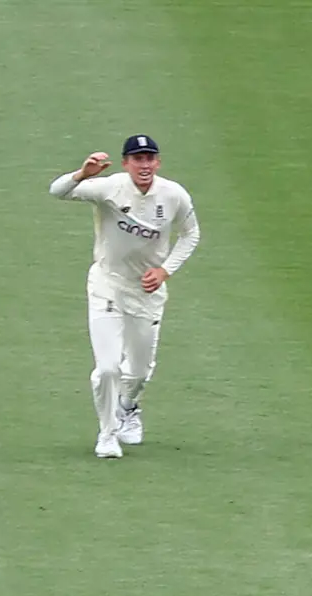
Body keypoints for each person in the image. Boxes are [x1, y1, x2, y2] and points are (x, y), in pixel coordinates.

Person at [48, 134, 201, 458]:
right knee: (107, 368)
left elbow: (191, 234)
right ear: (125, 163)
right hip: (107, 284)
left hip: (146, 292)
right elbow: (57, 191)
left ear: (158, 162)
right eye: (137, 159)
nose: (144, 165)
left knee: (139, 371)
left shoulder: (173, 195)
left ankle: (128, 406)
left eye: (149, 159)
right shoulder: (109, 188)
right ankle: (107, 435)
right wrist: (82, 174)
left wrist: (165, 271)